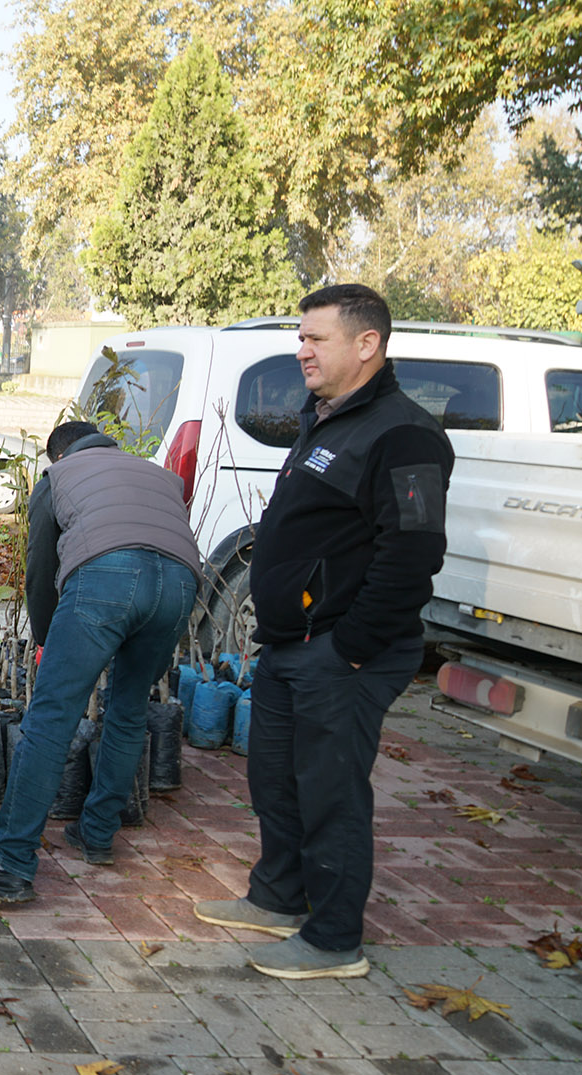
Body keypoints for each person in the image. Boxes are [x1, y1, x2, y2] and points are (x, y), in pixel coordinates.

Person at [195, 283, 453, 980]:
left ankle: (335, 938)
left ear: (366, 343)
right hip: (289, 645)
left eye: (316, 338)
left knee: (331, 789)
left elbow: (413, 553)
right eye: (300, 336)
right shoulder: (325, 417)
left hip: (341, 651)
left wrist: (351, 646)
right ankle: (280, 895)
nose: (301, 349)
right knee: (274, 776)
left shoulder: (403, 434)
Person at [0, 420, 201, 904]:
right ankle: (98, 833)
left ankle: (11, 861)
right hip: (181, 584)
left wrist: (44, 638)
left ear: (56, 455)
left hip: (106, 576)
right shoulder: (157, 474)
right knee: (128, 710)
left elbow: (41, 570)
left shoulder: (58, 478)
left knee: (50, 720)